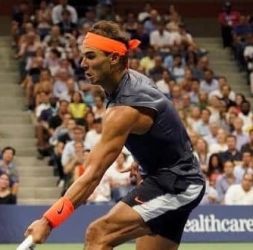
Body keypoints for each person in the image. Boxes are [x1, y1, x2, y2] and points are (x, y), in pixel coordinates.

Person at [24, 20, 205, 250]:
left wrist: (48, 221)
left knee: (98, 234)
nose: (83, 64)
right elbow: (163, 124)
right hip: (170, 177)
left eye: (91, 57)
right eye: (83, 56)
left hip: (176, 184)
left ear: (113, 58)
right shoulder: (131, 81)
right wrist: (145, 158)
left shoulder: (123, 109)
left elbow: (91, 176)